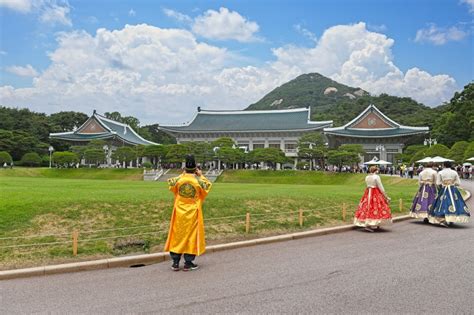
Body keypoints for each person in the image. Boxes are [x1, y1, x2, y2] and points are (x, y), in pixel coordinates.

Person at [164, 154, 212, 271]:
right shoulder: (198, 181)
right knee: (191, 236)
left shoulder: (178, 180)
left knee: (177, 235)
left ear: (184, 168)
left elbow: (171, 185)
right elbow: (207, 187)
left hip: (179, 212)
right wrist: (201, 175)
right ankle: (188, 262)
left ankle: (175, 262)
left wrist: (183, 174)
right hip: (193, 212)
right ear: (196, 168)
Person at [428, 161, 470, 227]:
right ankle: (452, 218)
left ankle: (442, 218)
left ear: (444, 165)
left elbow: (438, 183)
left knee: (442, 203)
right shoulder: (454, 172)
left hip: (444, 189)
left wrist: (442, 186)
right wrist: (452, 183)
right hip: (453, 189)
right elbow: (458, 183)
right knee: (455, 203)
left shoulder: (441, 172)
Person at [354, 166, 392, 232]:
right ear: (375, 170)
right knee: (377, 207)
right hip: (375, 192)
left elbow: (367, 185)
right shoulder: (376, 177)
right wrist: (386, 196)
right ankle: (374, 223)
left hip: (368, 192)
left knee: (367, 206)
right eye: (377, 170)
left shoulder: (367, 177)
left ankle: (370, 223)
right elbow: (380, 186)